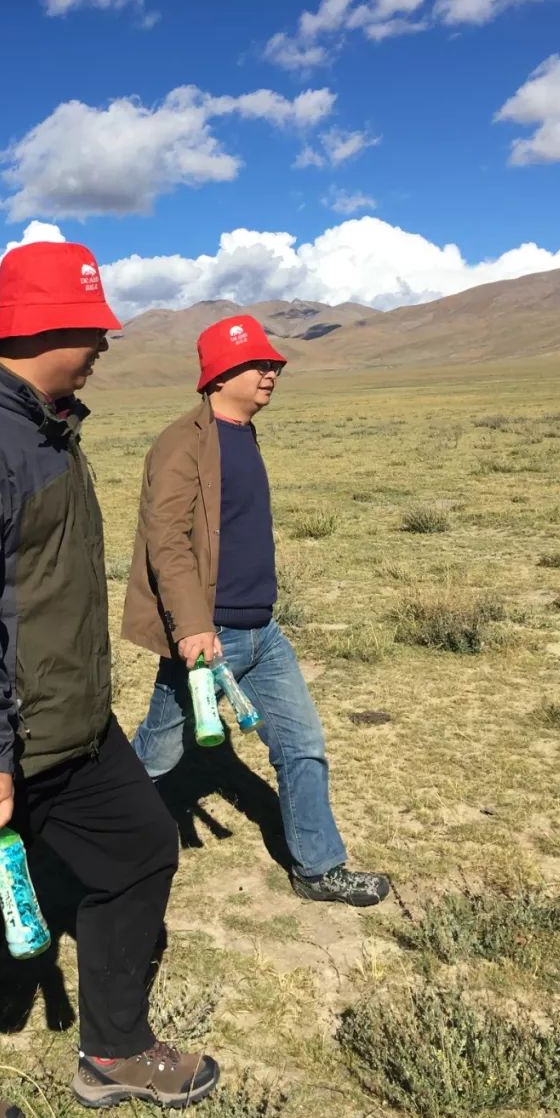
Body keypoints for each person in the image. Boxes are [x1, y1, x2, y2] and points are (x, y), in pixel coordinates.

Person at [0, 241, 220, 1118]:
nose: (104, 345)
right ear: (39, 330)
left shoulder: (38, 425)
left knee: (139, 850)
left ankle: (114, 1050)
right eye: (91, 330)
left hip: (68, 724)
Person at [122, 313, 390, 908]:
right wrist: (193, 626)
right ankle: (89, 843)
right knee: (156, 755)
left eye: (273, 365)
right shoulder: (182, 443)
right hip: (207, 637)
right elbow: (166, 540)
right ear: (220, 374)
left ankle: (319, 869)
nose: (271, 372)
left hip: (262, 631)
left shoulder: (243, 433)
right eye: (257, 364)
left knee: (302, 745)